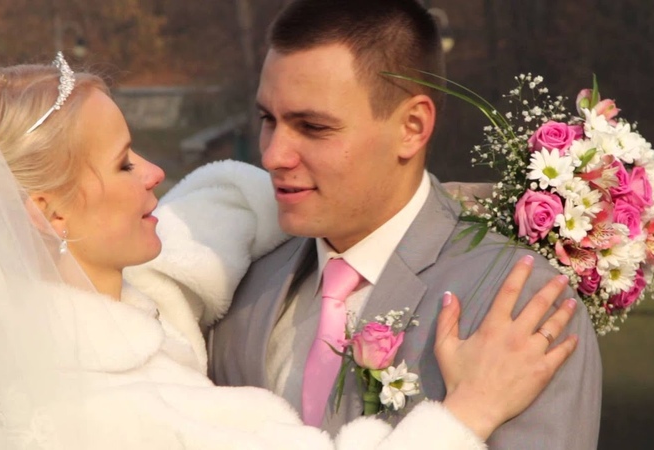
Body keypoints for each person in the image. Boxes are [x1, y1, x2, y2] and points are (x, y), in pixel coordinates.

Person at [0, 53, 578, 449]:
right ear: (50, 213)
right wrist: (470, 411)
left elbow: (214, 213)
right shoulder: (122, 411)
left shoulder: (27, 330)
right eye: (124, 163)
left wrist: (370, 196)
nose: (155, 173)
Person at [208, 0, 603, 448]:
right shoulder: (243, 290)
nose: (273, 155)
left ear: (412, 127)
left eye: (313, 127)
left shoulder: (517, 303)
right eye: (268, 119)